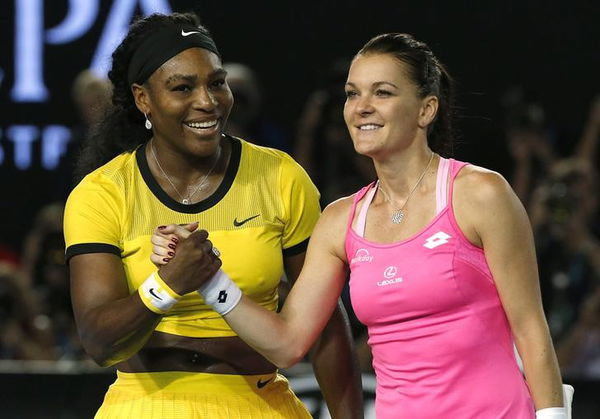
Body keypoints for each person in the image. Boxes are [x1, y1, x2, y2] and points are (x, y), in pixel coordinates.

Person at [154, 33, 568, 418]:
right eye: (352, 94)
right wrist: (210, 280)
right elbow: (287, 343)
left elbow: (531, 330)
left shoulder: (480, 194)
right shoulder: (339, 220)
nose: (361, 107)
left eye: (382, 93)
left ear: (426, 109)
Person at [63, 12, 362, 419]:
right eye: (182, 87)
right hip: (143, 406)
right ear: (142, 98)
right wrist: (168, 284)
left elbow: (326, 323)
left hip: (258, 403)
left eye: (216, 83)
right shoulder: (102, 193)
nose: (208, 101)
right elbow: (100, 342)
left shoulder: (281, 176)